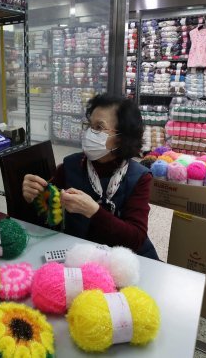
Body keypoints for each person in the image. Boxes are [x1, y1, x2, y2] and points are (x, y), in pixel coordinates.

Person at [22, 93, 159, 260]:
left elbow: (136, 239)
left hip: (124, 262)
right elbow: (47, 217)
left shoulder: (138, 178)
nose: (89, 133)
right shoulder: (70, 166)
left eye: (99, 127)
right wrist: (33, 197)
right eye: (89, 125)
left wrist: (94, 212)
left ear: (122, 138)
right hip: (81, 257)